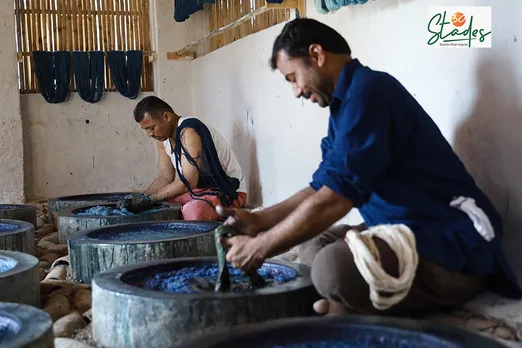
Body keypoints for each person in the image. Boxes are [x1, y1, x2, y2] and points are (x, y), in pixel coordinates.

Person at [215, 18, 522, 316]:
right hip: (403, 226)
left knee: (331, 268)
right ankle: (344, 305)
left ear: (316, 55)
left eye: (293, 78)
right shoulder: (344, 105)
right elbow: (320, 188)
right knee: (312, 243)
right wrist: (259, 222)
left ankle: (348, 305)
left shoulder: (369, 93)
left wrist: (261, 247)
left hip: (451, 243)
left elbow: (335, 200)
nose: (296, 91)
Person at [132, 96, 247, 221]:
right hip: (198, 191)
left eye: (152, 127)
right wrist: (141, 199)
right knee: (159, 205)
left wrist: (151, 199)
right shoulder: (163, 139)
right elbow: (164, 177)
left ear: (167, 117)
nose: (149, 134)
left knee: (192, 211)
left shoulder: (189, 131)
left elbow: (188, 181)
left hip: (228, 191)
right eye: (146, 130)